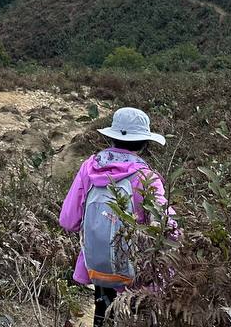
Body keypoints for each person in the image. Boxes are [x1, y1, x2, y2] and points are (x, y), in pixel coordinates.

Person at [59, 107, 174, 327]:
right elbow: (166, 229)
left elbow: (68, 220)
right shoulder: (146, 177)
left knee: (103, 315)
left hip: (97, 266)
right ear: (144, 143)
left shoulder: (89, 167)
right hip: (136, 274)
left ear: (111, 137)